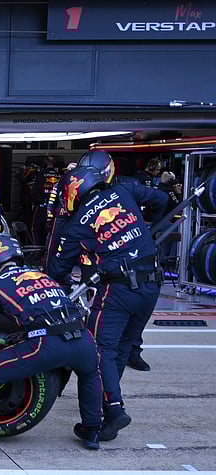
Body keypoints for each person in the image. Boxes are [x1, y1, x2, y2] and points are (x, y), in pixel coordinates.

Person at [0, 235, 103, 459]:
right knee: (90, 373)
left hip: (47, 343)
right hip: (83, 339)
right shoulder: (42, 276)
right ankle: (92, 431)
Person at [48, 165, 168, 442]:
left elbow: (58, 269)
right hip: (152, 284)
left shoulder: (77, 224)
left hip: (118, 288)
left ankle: (113, 409)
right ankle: (110, 402)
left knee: (100, 349)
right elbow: (161, 200)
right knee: (123, 347)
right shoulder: (123, 191)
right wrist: (146, 229)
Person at [72, 150, 170, 373]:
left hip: (127, 261)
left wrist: (147, 228)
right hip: (98, 255)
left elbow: (161, 199)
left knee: (126, 320)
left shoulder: (125, 186)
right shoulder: (83, 190)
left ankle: (132, 354)